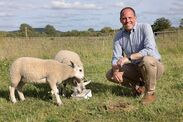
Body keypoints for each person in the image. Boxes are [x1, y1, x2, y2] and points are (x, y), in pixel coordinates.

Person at [106, 7, 164, 105]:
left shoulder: (145, 27)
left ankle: (150, 93)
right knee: (110, 74)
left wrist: (129, 58)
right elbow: (116, 57)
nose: (127, 21)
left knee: (147, 60)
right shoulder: (118, 36)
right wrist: (116, 71)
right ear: (120, 20)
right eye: (124, 18)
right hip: (136, 68)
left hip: (154, 67)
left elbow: (149, 50)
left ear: (135, 18)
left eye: (130, 17)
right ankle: (138, 87)